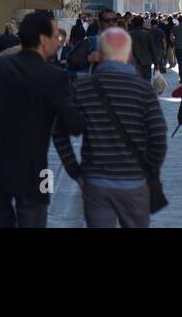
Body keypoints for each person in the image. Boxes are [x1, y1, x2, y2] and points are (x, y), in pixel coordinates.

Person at [0, 10, 86, 228]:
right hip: (37, 172)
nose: (58, 41)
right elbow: (74, 125)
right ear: (43, 40)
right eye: (55, 36)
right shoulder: (55, 77)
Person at [51, 27, 165, 228]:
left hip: (96, 183)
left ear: (100, 55)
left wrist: (75, 171)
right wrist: (150, 172)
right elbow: (158, 137)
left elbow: (59, 132)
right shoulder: (143, 89)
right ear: (129, 55)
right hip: (135, 183)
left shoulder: (82, 88)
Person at [128, 15, 158, 80]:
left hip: (134, 61)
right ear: (142, 23)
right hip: (146, 60)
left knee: (136, 81)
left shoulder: (129, 34)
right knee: (147, 80)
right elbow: (152, 49)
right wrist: (156, 63)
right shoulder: (147, 33)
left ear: (133, 23)